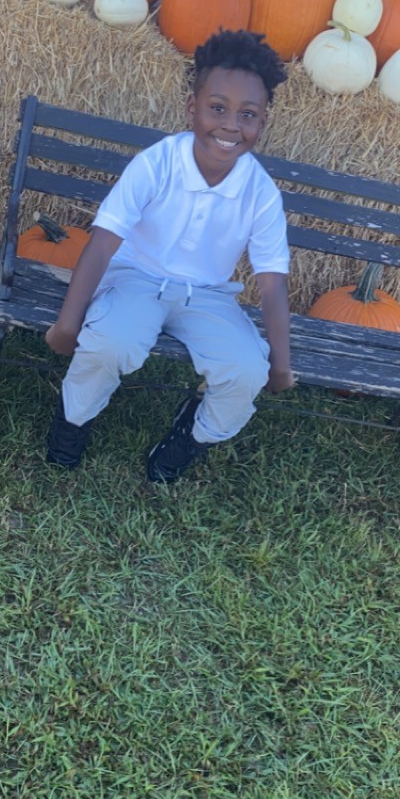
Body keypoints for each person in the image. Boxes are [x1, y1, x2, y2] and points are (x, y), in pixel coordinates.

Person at [44, 28, 295, 482]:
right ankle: (73, 422)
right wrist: (67, 323)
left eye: (248, 114)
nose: (231, 125)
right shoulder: (157, 163)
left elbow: (272, 283)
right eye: (217, 108)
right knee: (111, 342)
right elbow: (103, 242)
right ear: (192, 108)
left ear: (263, 122)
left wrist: (279, 362)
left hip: (208, 295)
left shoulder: (260, 192)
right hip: (136, 276)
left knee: (245, 370)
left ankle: (190, 436)